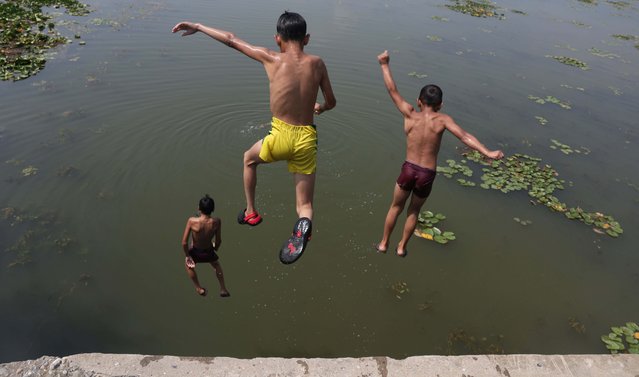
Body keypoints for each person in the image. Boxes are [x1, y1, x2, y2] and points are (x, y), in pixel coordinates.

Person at [172, 11, 336, 264]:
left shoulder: (271, 57)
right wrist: (320, 108)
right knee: (304, 205)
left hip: (280, 136)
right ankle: (303, 225)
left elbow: (230, 39)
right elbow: (332, 102)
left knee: (249, 159)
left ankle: (250, 212)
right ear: (307, 39)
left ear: (277, 39)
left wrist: (199, 26)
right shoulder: (318, 63)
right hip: (306, 139)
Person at [375, 50, 504, 257]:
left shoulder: (409, 113)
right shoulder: (443, 120)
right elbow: (464, 136)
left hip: (408, 169)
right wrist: (487, 152)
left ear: (418, 101)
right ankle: (401, 247)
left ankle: (383, 244)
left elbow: (392, 90)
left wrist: (384, 65)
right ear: (440, 105)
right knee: (414, 211)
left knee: (395, 207)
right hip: (426, 173)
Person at [181, 194, 230, 297]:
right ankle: (223, 289)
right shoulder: (216, 222)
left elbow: (184, 242)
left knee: (188, 266)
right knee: (216, 265)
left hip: (195, 252)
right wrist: (215, 248)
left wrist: (187, 256)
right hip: (208, 251)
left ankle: (199, 288)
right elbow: (219, 240)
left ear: (198, 208)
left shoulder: (192, 221)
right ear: (213, 209)